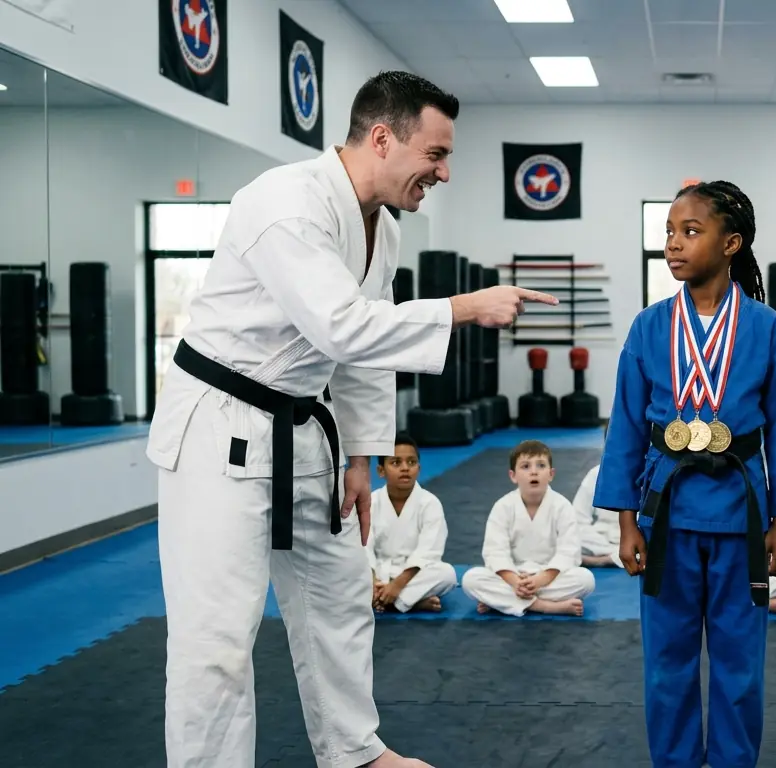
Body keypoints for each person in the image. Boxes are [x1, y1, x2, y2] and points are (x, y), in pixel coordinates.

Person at [145, 71, 557, 768]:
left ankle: (355, 753)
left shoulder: (383, 230)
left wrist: (362, 456)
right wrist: (464, 307)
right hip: (219, 433)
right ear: (381, 137)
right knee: (214, 640)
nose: (445, 173)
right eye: (435, 155)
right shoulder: (285, 202)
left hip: (309, 432)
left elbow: (364, 361)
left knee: (340, 600)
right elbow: (342, 327)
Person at [593, 180, 776, 768]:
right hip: (665, 516)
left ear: (731, 244)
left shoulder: (766, 327)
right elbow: (625, 430)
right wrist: (624, 521)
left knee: (740, 668)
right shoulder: (649, 327)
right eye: (669, 232)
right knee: (667, 665)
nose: (674, 244)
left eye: (690, 232)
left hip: (740, 519)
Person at [459, 440, 595, 617]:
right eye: (525, 466)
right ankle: (545, 606)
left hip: (549, 578)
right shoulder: (503, 507)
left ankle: (501, 602)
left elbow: (569, 552)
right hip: (513, 578)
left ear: (551, 474)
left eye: (541, 465)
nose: (534, 471)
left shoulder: (562, 506)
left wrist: (540, 579)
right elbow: (495, 552)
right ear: (513, 475)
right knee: (471, 579)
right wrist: (515, 581)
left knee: (585, 580)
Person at [367, 433, 457, 614]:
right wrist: (372, 580)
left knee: (447, 574)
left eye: (411, 462)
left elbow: (429, 551)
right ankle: (412, 602)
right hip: (377, 573)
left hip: (413, 576)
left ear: (419, 467)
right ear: (380, 471)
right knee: (337, 572)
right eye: (395, 462)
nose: (405, 468)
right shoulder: (371, 502)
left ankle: (387, 602)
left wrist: (397, 585)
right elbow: (363, 546)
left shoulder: (430, 503)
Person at [572, 463, 623, 568]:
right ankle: (617, 557)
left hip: (634, 540)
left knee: (653, 549)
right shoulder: (596, 473)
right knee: (569, 536)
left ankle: (602, 559)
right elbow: (577, 518)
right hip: (600, 539)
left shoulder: (647, 472)